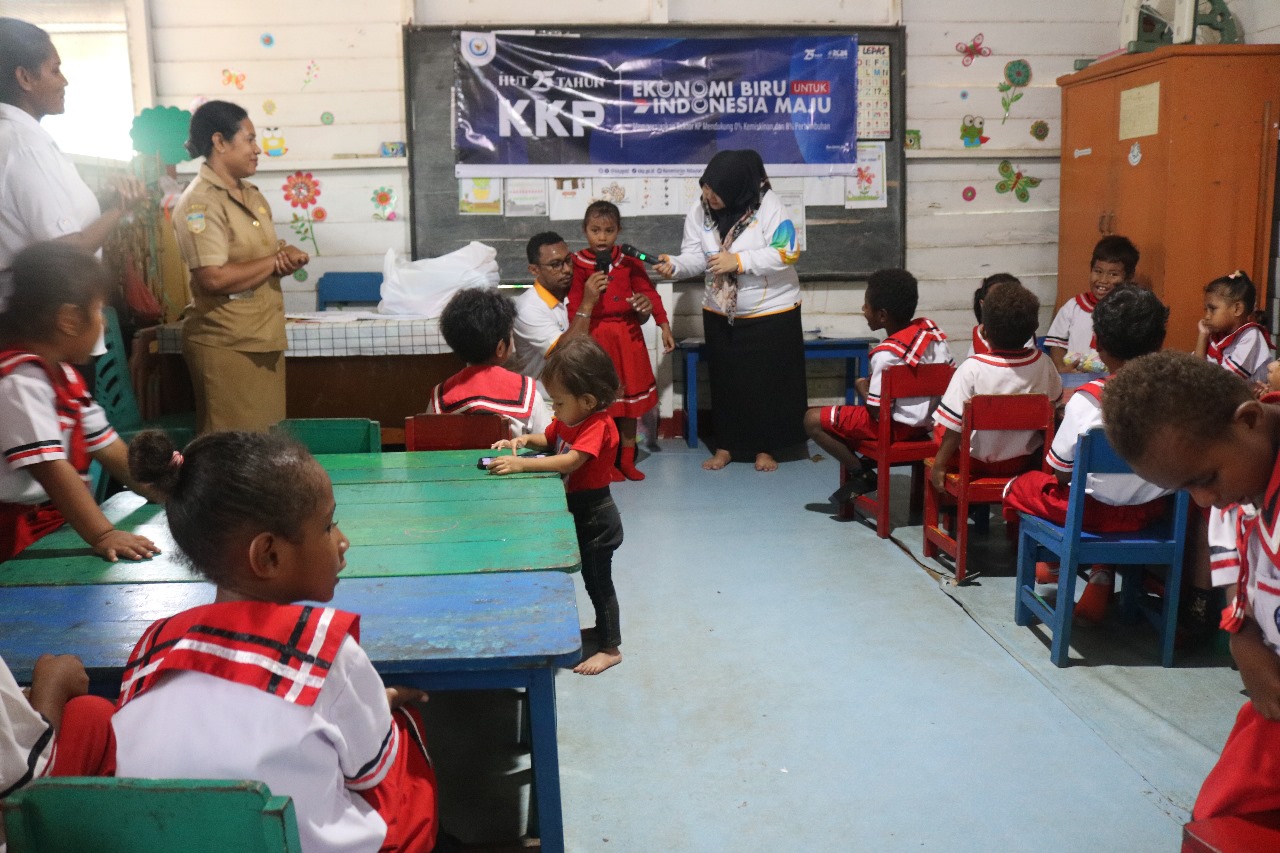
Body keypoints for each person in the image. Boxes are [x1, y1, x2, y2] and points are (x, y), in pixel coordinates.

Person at [112, 430, 439, 853]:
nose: (343, 541)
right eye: (327, 524)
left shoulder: (152, 645)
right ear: (268, 555)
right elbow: (371, 773)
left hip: (169, 839)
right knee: (406, 748)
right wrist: (383, 703)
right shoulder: (323, 647)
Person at [1100, 351, 1280, 821]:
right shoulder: (1240, 476)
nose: (1204, 499)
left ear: (1248, 420)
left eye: (1205, 480)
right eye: (1186, 490)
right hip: (1271, 690)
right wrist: (1241, 635)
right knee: (1219, 820)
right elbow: (1232, 544)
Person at [1002, 285, 1171, 621]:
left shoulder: (1088, 400)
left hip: (1093, 514)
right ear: (1159, 343)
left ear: (1099, 345)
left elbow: (1058, 472)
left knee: (1023, 487)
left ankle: (1051, 559)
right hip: (1154, 513)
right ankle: (1101, 573)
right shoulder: (1177, 396)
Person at [0, 242, 159, 562]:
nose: (102, 322)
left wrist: (157, 490)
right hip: (11, 532)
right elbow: (51, 469)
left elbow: (108, 447)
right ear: (70, 319)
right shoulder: (19, 381)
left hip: (50, 518)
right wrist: (104, 533)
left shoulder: (63, 377)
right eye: (99, 309)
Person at [654, 149, 805, 472]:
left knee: (765, 383)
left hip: (772, 312)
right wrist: (676, 266)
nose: (710, 196)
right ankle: (727, 447)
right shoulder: (701, 210)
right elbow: (696, 256)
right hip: (721, 311)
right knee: (727, 382)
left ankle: (765, 449)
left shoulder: (768, 206)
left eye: (717, 190)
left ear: (737, 186)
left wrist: (739, 262)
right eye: (706, 187)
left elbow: (788, 251)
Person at [486, 337, 624, 676]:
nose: (554, 409)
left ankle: (610, 647)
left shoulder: (597, 425)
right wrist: (520, 440)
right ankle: (600, 632)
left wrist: (521, 465)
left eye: (558, 402)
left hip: (595, 516)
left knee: (598, 582)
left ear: (588, 401)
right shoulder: (572, 419)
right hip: (577, 510)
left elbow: (570, 461)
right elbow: (549, 438)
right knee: (588, 578)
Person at [171, 100, 309, 434]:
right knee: (232, 457)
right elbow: (213, 277)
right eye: (248, 139)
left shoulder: (251, 195)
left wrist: (283, 255)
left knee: (265, 448)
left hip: (261, 338)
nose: (256, 149)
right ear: (219, 142)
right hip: (227, 346)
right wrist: (273, 260)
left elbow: (254, 256)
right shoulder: (200, 202)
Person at [0, 18, 146, 306]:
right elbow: (67, 251)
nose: (64, 81)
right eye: (55, 70)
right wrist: (120, 208)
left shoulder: (19, 138)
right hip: (41, 318)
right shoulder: (26, 146)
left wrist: (104, 201)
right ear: (25, 78)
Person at [803, 268, 952, 492]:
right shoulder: (935, 338)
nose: (863, 310)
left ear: (882, 315)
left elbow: (876, 411)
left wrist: (861, 387)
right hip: (925, 427)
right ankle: (863, 466)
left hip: (892, 428)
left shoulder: (886, 354)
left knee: (812, 419)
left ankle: (861, 473)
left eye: (866, 305)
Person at [567, 201, 675, 481]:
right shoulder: (578, 264)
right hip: (597, 340)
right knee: (605, 406)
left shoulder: (629, 259)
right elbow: (575, 308)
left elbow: (649, 293)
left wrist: (662, 324)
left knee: (628, 407)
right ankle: (609, 462)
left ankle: (627, 460)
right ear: (584, 230)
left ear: (619, 231)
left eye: (609, 230)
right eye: (595, 230)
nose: (602, 237)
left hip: (628, 339)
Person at [931, 281, 1063, 492]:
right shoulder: (1044, 364)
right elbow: (1055, 408)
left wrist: (938, 465)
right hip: (1022, 460)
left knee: (942, 425)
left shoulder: (971, 369)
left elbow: (954, 428)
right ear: (1033, 329)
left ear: (984, 331)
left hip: (972, 463)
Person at [426, 287, 549, 437]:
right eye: (511, 335)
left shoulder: (440, 397)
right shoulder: (528, 394)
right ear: (500, 348)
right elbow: (548, 441)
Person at [0, 652, 116, 798]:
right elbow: (16, 778)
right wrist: (53, 688)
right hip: (17, 802)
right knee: (95, 714)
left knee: (87, 714)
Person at [1044, 235, 1139, 375]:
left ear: (1129, 277)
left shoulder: (1130, 310)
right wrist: (1061, 369)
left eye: (1113, 274)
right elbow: (1056, 344)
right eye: (1098, 272)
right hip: (1076, 377)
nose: (1103, 280)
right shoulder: (1073, 307)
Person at [1195, 270, 1273, 385]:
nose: (1206, 316)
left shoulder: (1251, 336)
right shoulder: (1215, 336)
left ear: (1237, 309)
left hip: (1249, 400)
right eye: (1206, 310)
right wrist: (1202, 336)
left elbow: (1226, 382)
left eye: (1212, 309)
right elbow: (1195, 372)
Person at [966, 272, 1021, 358]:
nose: (1004, 306)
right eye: (996, 300)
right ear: (983, 304)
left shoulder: (1025, 334)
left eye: (1012, 300)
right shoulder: (979, 335)